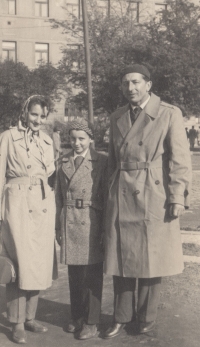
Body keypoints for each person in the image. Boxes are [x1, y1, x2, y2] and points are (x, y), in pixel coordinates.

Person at [104, 64, 192, 338]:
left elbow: (180, 160)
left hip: (154, 193)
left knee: (152, 258)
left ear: (148, 85)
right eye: (125, 83)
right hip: (121, 191)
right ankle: (121, 316)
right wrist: (107, 194)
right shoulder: (117, 116)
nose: (130, 88)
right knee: (121, 257)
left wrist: (177, 197)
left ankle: (146, 316)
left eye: (136, 82)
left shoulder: (168, 113)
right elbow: (112, 161)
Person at [0, 95, 56, 344]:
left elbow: (51, 174)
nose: (38, 120)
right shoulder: (7, 137)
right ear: (25, 112)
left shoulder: (47, 140)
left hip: (43, 204)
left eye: (42, 116)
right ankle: (17, 322)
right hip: (17, 203)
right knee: (18, 265)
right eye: (34, 114)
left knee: (39, 263)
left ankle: (31, 316)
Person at [55, 119, 107, 340]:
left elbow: (106, 196)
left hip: (91, 220)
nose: (76, 143)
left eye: (81, 139)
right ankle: (76, 316)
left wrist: (105, 228)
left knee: (92, 274)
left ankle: (91, 321)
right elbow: (58, 196)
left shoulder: (101, 161)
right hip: (69, 220)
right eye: (73, 139)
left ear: (90, 139)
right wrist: (58, 225)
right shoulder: (63, 161)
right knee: (75, 273)